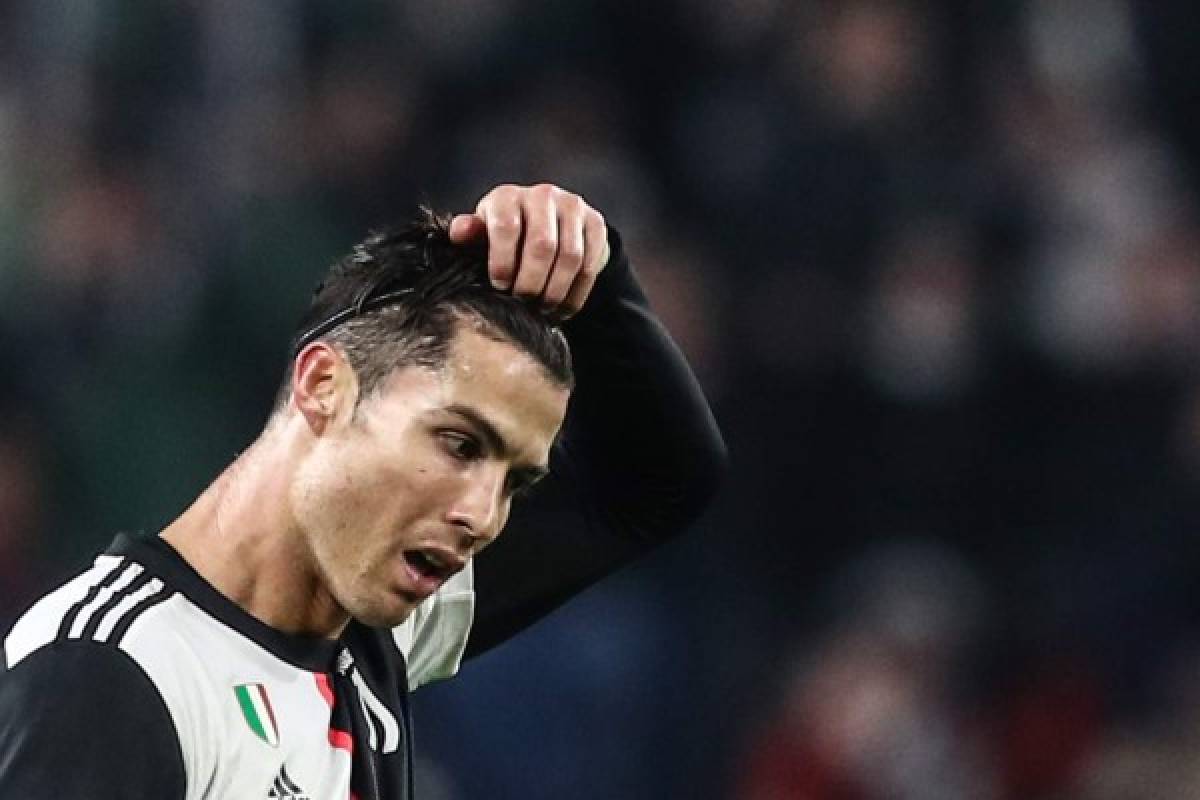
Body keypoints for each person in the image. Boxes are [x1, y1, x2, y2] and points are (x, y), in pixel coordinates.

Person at [0, 183, 726, 798]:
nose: (483, 514)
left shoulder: (366, 632)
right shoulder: (112, 673)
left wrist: (593, 279)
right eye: (458, 443)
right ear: (323, 387)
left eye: (514, 481)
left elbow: (661, 480)